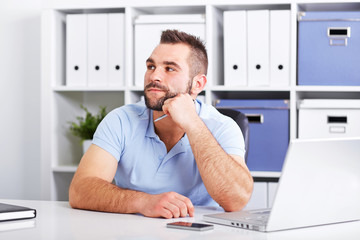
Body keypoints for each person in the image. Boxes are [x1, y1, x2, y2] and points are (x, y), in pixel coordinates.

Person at [69, 29, 253, 219]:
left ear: (198, 84)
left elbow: (236, 200)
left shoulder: (223, 126)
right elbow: (80, 190)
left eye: (169, 68)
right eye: (151, 66)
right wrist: (143, 202)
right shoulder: (120, 120)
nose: (154, 76)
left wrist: (192, 124)